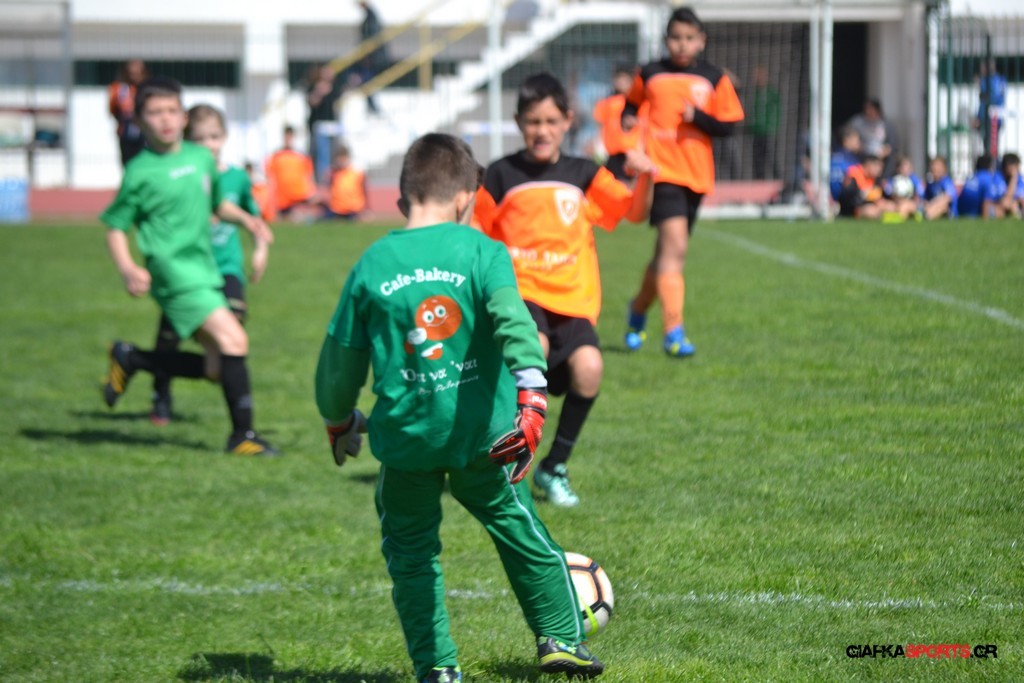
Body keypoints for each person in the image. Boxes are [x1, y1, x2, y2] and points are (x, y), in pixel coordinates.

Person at [315, 132, 604, 683]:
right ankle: (560, 637)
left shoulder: (373, 263)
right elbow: (515, 321)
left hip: (407, 440)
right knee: (518, 527)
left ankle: (438, 669)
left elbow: (340, 359)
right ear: (468, 197)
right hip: (483, 435)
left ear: (403, 198)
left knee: (412, 554)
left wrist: (339, 418)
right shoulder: (483, 251)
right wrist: (532, 394)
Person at [473, 72, 653, 508]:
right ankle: (502, 461)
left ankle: (554, 466)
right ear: (519, 123)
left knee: (590, 366)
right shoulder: (501, 174)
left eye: (551, 121)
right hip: (521, 294)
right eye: (533, 122)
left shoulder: (584, 174)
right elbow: (476, 228)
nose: (542, 131)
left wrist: (647, 176)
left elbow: (633, 212)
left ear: (568, 121)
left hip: (573, 300)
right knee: (531, 346)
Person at [99, 77, 279, 457]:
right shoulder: (139, 171)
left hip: (204, 269)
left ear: (183, 117)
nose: (165, 119)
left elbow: (218, 205)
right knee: (235, 340)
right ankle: (242, 437)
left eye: (171, 111)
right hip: (173, 273)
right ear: (139, 120)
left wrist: (249, 222)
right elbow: (115, 226)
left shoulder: (200, 159)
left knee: (216, 367)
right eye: (155, 112)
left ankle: (132, 358)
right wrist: (128, 268)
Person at [621, 6, 744, 358]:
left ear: (701, 41)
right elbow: (630, 104)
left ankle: (637, 310)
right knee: (675, 251)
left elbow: (730, 125)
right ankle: (673, 332)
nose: (682, 44)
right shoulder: (651, 73)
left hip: (696, 176)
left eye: (689, 38)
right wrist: (629, 119)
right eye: (676, 37)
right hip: (662, 174)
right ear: (666, 40)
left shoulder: (713, 77)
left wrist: (698, 116)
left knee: (665, 255)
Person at [148, 104, 270, 425]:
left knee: (231, 335)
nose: (209, 145)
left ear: (225, 137)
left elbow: (255, 219)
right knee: (168, 340)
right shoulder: (183, 176)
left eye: (214, 137)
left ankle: (136, 360)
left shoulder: (237, 178)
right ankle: (160, 395)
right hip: (187, 272)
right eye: (200, 139)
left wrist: (260, 250)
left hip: (227, 268)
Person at [591, 64, 647, 182]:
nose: (621, 82)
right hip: (612, 152)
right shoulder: (606, 102)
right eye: (618, 78)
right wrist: (598, 147)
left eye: (624, 78)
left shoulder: (639, 103)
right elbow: (599, 127)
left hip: (632, 151)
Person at [266, 125, 320, 221]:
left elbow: (309, 176)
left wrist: (312, 192)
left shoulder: (301, 156)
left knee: (298, 216)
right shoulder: (276, 156)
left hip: (298, 196)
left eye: (290, 136)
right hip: (282, 198)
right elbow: (270, 177)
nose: (288, 139)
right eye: (286, 136)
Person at [837, 154, 914, 220]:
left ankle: (898, 217)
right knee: (871, 211)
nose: (879, 171)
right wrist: (862, 194)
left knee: (894, 206)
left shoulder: (875, 178)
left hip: (874, 205)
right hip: (855, 208)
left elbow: (881, 193)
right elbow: (846, 196)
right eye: (877, 167)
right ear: (869, 165)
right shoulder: (854, 173)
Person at [306, 64, 344, 184]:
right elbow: (311, 102)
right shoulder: (314, 87)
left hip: (332, 125)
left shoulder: (335, 87)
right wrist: (319, 92)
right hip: (320, 125)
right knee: (322, 155)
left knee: (335, 153)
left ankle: (334, 178)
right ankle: (323, 180)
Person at [108, 59, 148, 167]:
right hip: (126, 133)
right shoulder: (118, 89)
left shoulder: (147, 88)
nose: (134, 76)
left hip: (145, 133)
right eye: (131, 73)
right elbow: (112, 109)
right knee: (128, 163)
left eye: (138, 73)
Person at [846, 99, 899, 178]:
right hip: (863, 155)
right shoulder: (858, 122)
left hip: (880, 157)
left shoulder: (886, 124)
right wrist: (857, 145)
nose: (868, 112)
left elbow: (893, 143)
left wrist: (886, 150)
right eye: (867, 110)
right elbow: (846, 133)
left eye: (871, 110)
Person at [748, 64, 780, 180]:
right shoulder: (754, 94)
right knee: (758, 158)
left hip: (768, 131)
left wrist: (773, 126)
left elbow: (777, 111)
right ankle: (759, 180)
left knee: (771, 156)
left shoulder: (771, 93)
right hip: (757, 131)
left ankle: (777, 179)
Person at [323, 144, 367, 221]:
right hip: (336, 209)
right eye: (339, 158)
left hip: (353, 209)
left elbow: (364, 191)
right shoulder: (332, 173)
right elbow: (327, 190)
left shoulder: (356, 172)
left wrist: (366, 209)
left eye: (343, 158)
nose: (341, 161)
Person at [357, 0, 387, 115]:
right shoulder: (371, 16)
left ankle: (372, 106)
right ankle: (372, 106)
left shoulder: (371, 17)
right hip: (371, 56)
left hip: (372, 57)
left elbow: (371, 36)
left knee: (367, 81)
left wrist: (367, 53)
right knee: (367, 81)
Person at [977, 60, 1008, 159]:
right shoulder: (996, 80)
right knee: (989, 145)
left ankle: (992, 164)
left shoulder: (993, 80)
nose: (981, 69)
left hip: (993, 117)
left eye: (983, 67)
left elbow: (991, 100)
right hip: (991, 117)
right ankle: (991, 163)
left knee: (991, 147)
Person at [957, 154, 1001, 218]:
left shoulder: (971, 177)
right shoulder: (987, 178)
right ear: (990, 166)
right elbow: (986, 201)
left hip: (963, 211)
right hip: (976, 212)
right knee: (1000, 210)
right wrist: (985, 220)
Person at [829, 126, 862, 202]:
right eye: (856, 140)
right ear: (846, 140)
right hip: (844, 199)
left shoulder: (832, 155)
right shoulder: (851, 160)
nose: (858, 143)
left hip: (830, 198)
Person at [923, 155, 958, 220]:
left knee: (942, 204)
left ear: (944, 169)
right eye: (933, 167)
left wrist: (932, 204)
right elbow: (925, 199)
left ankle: (931, 214)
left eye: (938, 167)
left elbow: (948, 197)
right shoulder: (930, 185)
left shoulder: (946, 182)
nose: (935, 168)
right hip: (931, 207)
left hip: (948, 210)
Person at [992, 152, 1024, 218]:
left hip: (1014, 205)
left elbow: (1021, 197)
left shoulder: (1019, 178)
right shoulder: (997, 177)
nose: (1018, 169)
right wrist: (1013, 178)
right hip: (998, 205)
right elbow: (1006, 199)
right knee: (1007, 203)